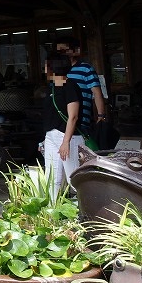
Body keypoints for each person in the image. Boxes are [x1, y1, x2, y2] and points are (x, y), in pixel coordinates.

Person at [41, 52, 83, 196]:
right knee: (52, 177)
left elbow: (73, 116)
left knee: (74, 177)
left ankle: (82, 211)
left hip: (68, 136)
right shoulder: (51, 87)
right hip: (51, 135)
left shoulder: (70, 86)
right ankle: (52, 210)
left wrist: (66, 141)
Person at [55, 37, 107, 144]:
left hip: (81, 121)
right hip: (60, 122)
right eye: (59, 51)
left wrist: (101, 115)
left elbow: (97, 93)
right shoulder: (58, 71)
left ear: (75, 51)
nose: (62, 53)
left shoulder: (86, 69)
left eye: (65, 50)